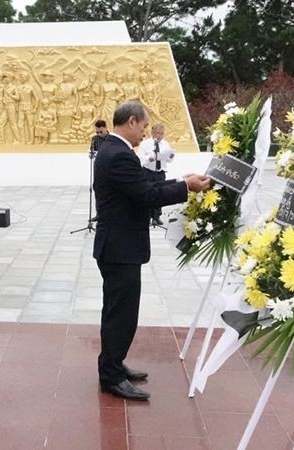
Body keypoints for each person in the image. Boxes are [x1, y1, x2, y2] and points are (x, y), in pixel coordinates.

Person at [93, 100, 210, 401]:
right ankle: (111, 376)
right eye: (144, 126)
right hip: (120, 248)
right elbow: (145, 194)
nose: (145, 133)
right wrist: (188, 188)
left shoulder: (116, 151)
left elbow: (143, 183)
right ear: (131, 121)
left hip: (119, 246)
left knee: (118, 310)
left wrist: (182, 180)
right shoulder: (117, 154)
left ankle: (113, 364)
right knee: (121, 313)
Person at [137, 123, 175, 225]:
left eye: (162, 134)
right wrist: (149, 158)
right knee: (148, 193)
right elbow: (139, 157)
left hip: (160, 172)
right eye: (157, 133)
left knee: (160, 193)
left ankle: (157, 216)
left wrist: (170, 156)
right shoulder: (145, 144)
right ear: (152, 133)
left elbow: (168, 160)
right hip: (148, 172)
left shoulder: (165, 144)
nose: (159, 136)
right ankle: (148, 216)